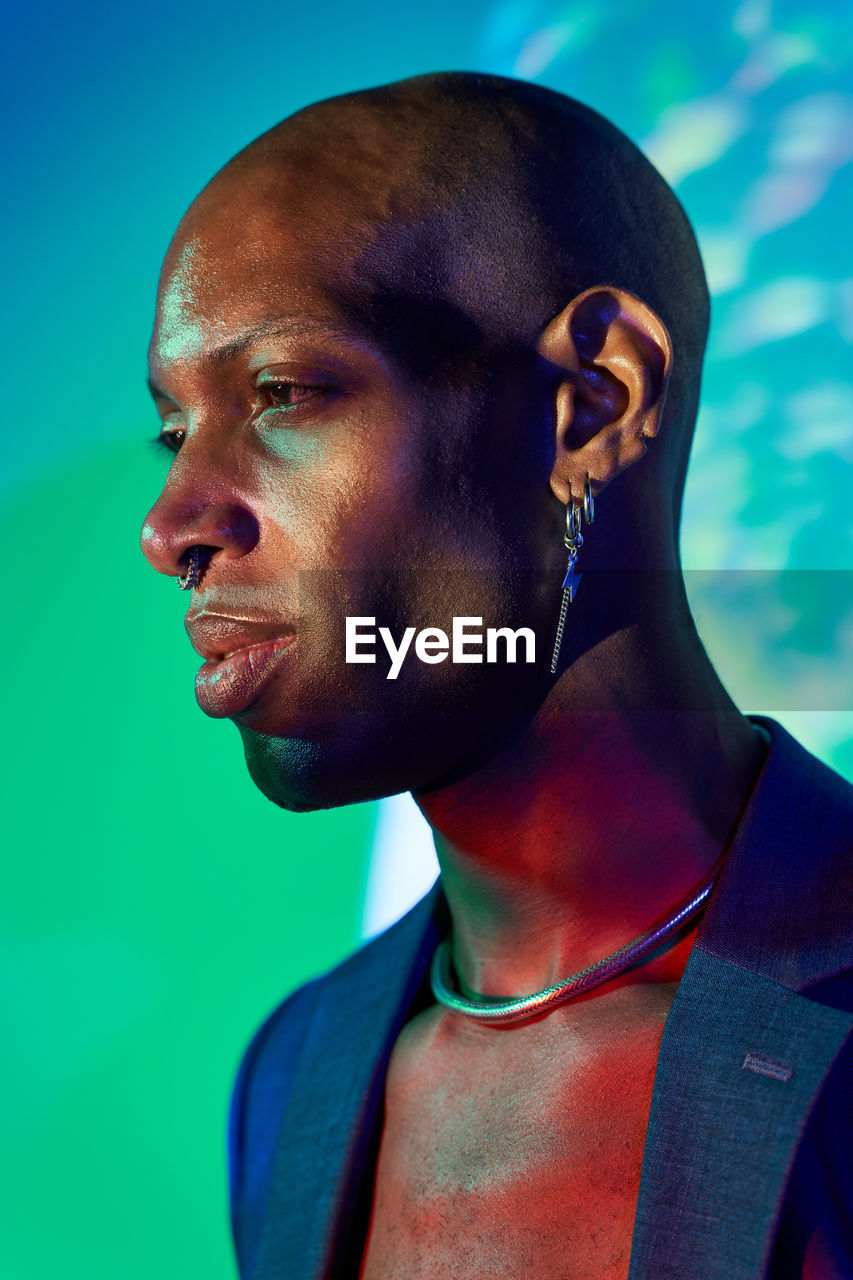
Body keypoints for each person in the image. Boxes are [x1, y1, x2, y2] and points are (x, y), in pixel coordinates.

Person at [140, 71, 852, 1280]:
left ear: (590, 404)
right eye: (173, 430)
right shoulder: (294, 1075)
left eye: (283, 393)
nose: (172, 525)